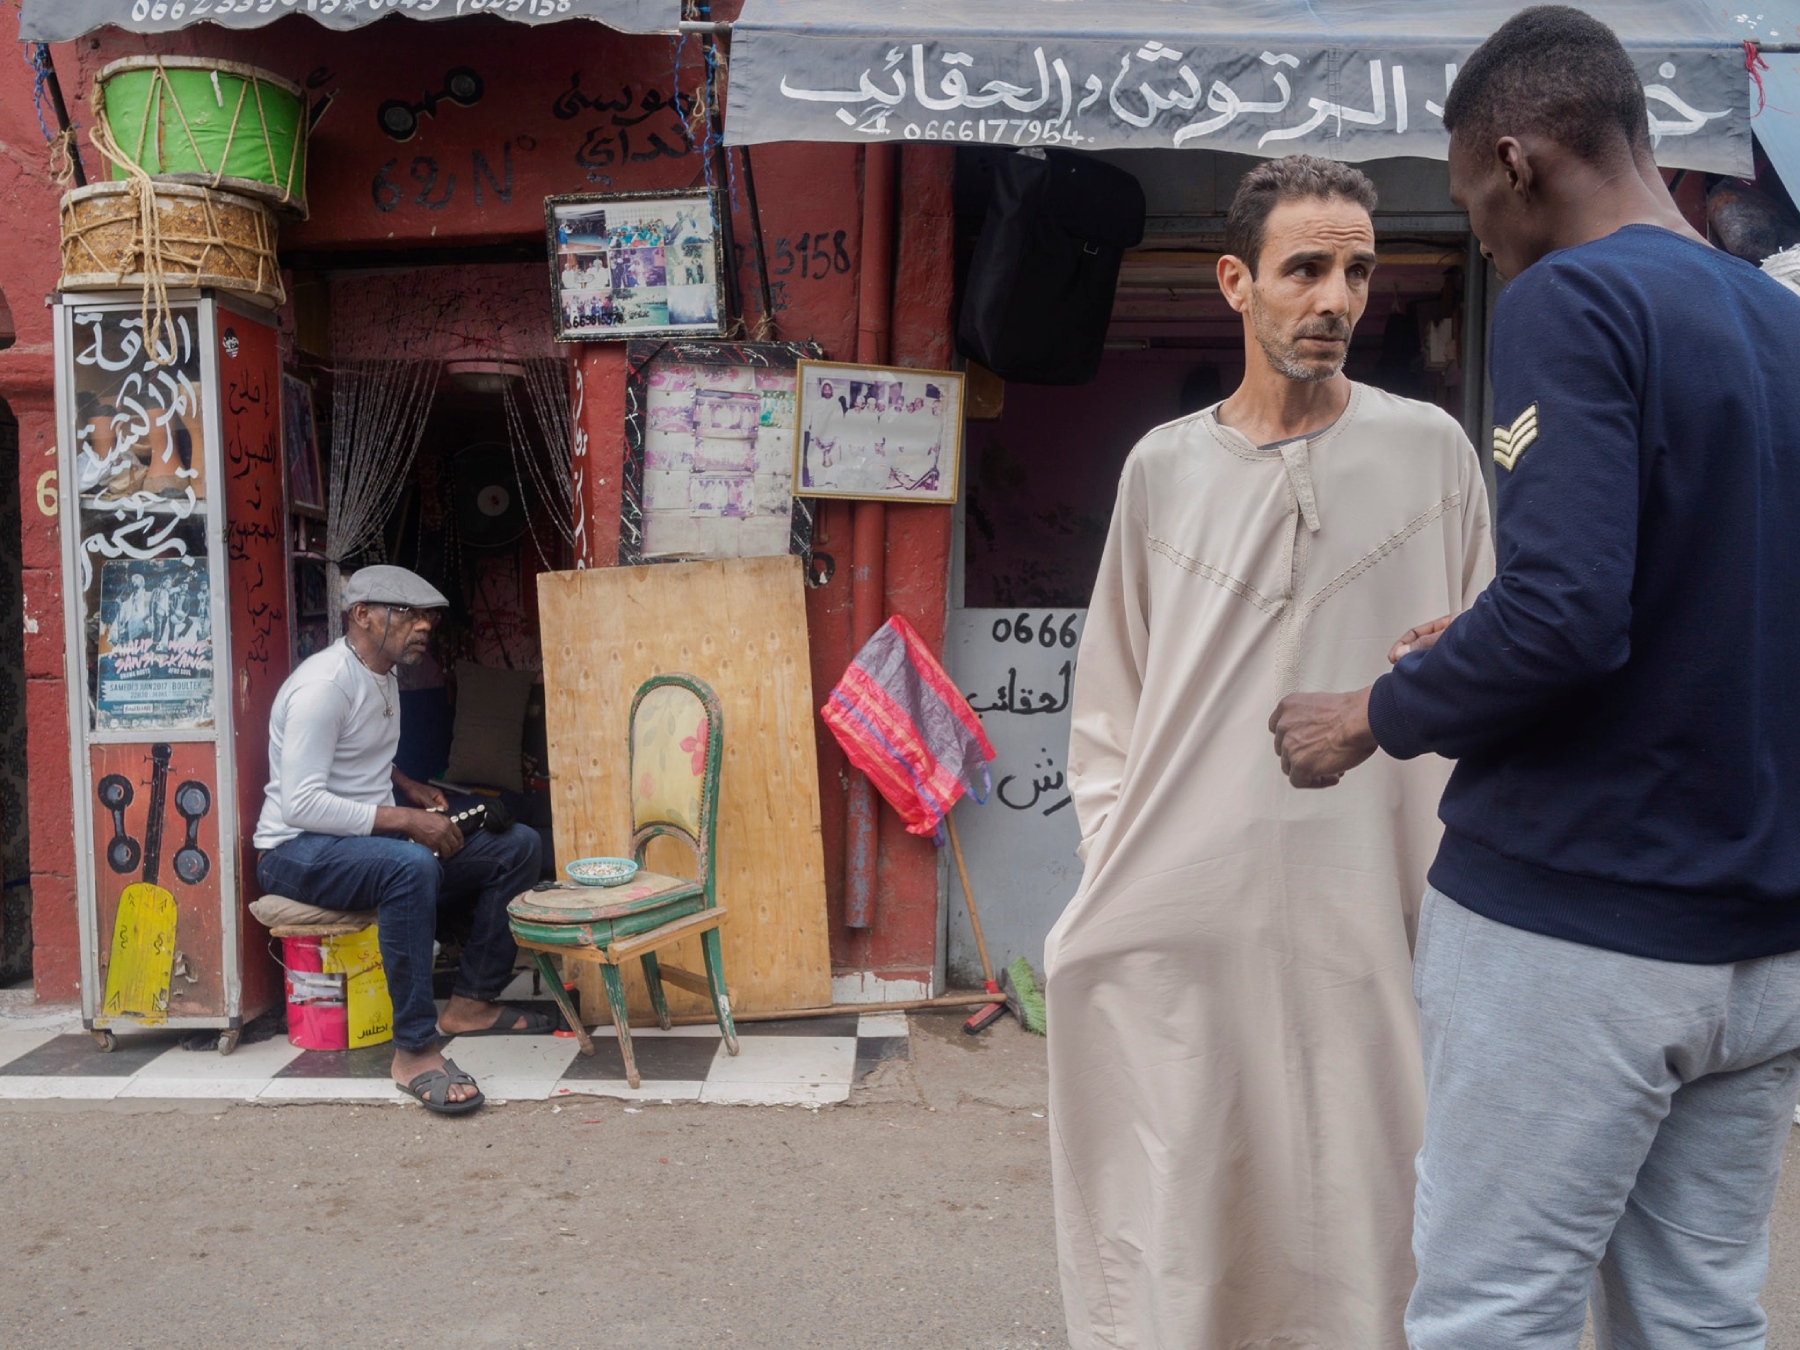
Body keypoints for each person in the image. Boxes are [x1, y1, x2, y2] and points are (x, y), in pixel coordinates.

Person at [1268, 9, 1800, 1347]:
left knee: (1492, 1310)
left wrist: (1371, 716)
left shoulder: (1573, 294)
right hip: (1759, 938)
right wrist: (1485, 631)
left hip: (1582, 926)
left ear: (1513, 159)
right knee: (1697, 1318)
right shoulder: (1776, 324)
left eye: (1464, 201)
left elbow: (1571, 617)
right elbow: (1694, 589)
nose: (1481, 240)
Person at [1046, 155, 1493, 1349]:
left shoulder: (1432, 453)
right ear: (1237, 283)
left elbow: (1487, 661)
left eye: (1356, 269)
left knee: (1378, 1193)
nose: (1336, 298)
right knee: (1192, 1187)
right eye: (1305, 269)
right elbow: (1110, 705)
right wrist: (1113, 862)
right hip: (1188, 905)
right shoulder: (1164, 467)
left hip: (1382, 898)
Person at [254, 565, 552, 1115]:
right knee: (409, 865)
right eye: (408, 614)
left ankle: (470, 1004)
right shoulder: (324, 687)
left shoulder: (384, 674)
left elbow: (362, 757)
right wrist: (408, 824)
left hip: (360, 845)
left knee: (519, 845)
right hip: (295, 851)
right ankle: (414, 1050)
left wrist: (410, 788)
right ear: (362, 615)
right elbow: (301, 802)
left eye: (426, 618)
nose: (423, 627)